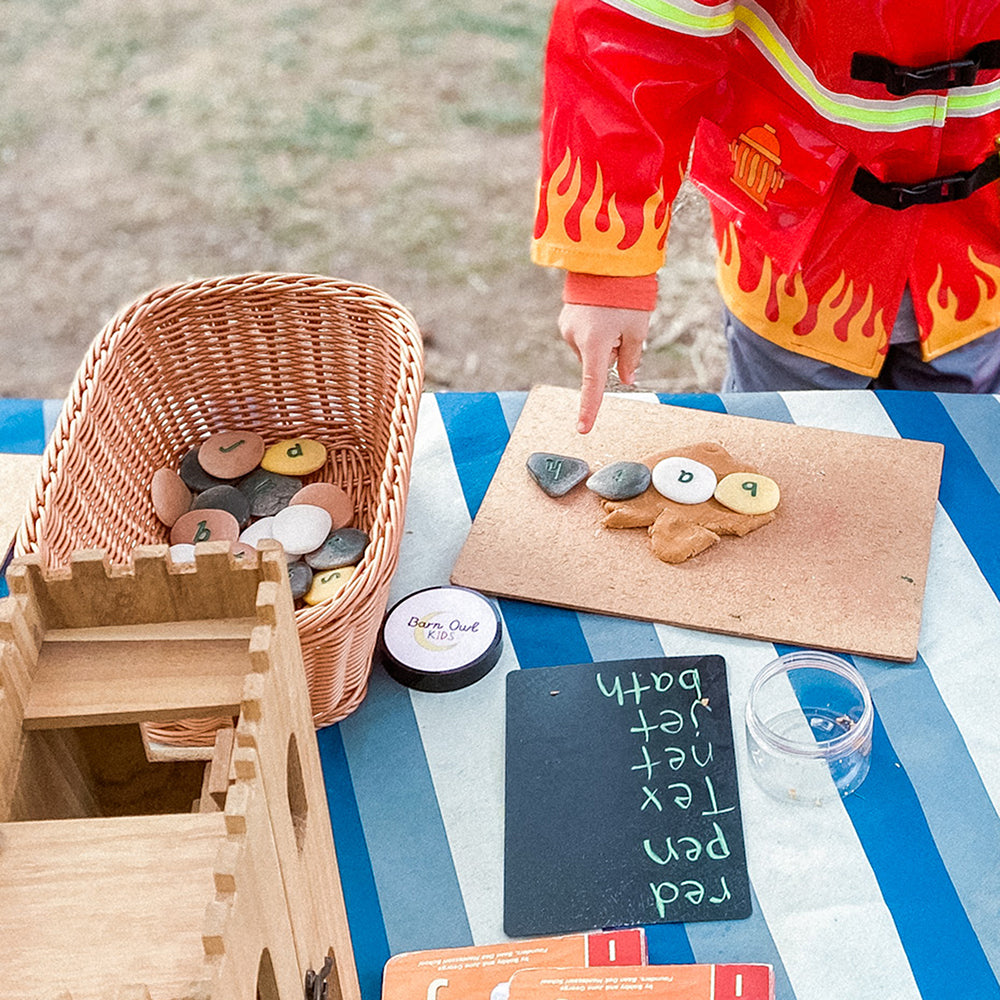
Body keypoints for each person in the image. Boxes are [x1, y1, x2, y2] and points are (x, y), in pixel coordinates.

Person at [531, 0, 1000, 432]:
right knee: (780, 462)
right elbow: (636, 31)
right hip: (796, 249)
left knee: (958, 475)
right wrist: (607, 271)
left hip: (983, 261)